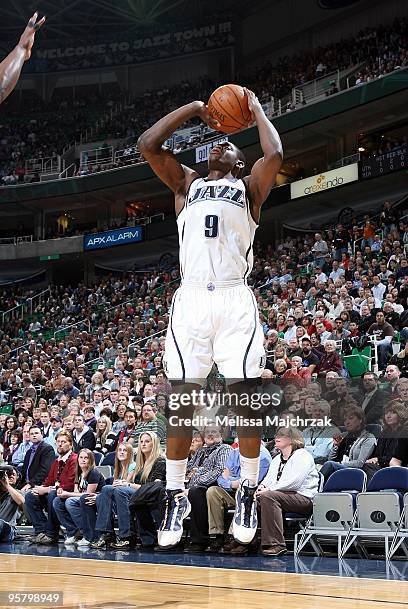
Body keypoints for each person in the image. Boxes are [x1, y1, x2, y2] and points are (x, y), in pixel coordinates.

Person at [138, 87, 283, 548]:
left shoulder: (249, 188)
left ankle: (246, 486)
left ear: (240, 162)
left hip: (234, 297)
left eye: (227, 145)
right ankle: (176, 493)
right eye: (215, 143)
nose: (218, 146)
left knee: (244, 391)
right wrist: (195, 109)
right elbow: (148, 145)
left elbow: (275, 151)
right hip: (191, 300)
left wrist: (253, 107)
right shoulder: (187, 185)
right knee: (181, 396)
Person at [256, 427, 319, 556]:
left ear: (292, 440)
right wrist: (260, 488)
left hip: (303, 498)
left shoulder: (302, 455)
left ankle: (276, 544)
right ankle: (249, 542)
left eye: (282, 435)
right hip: (281, 495)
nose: (276, 437)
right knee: (254, 499)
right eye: (276, 434)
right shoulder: (276, 459)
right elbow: (268, 480)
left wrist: (268, 490)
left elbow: (294, 483)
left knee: (268, 496)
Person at [24, 431, 77, 544]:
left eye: (63, 442)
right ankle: (41, 532)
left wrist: (47, 489)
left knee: (53, 494)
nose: (60, 444)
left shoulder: (74, 460)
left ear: (71, 444)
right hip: (55, 492)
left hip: (68, 495)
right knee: (30, 496)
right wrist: (40, 489)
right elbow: (49, 481)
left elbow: (69, 485)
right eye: (58, 442)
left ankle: (51, 534)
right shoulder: (57, 461)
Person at [52, 448, 105, 546]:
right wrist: (62, 491)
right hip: (82, 499)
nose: (83, 460)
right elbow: (77, 492)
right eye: (81, 457)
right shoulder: (78, 473)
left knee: (70, 502)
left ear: (91, 460)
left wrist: (67, 494)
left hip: (95, 500)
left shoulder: (94, 472)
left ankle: (89, 534)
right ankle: (73, 531)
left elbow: (88, 494)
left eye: (86, 458)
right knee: (57, 501)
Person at [89, 442, 137, 549]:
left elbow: (124, 486)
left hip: (130, 494)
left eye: (125, 450)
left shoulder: (133, 466)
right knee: (105, 490)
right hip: (120, 495)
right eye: (120, 450)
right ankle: (106, 534)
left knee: (107, 489)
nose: (121, 452)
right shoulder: (118, 468)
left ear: (130, 453)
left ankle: (119, 535)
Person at [130, 432, 167, 549]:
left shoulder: (160, 461)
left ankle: (129, 536)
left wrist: (129, 485)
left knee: (132, 498)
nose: (143, 444)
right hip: (140, 494)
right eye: (141, 442)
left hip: (154, 496)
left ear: (154, 443)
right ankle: (142, 539)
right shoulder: (140, 463)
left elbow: (154, 486)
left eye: (147, 441)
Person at [320, 407, 376, 480]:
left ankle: (316, 486)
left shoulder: (368, 438)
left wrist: (340, 464)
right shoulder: (343, 436)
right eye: (345, 420)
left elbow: (360, 463)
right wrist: (336, 446)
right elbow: (331, 459)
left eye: (351, 418)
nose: (347, 422)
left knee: (329, 465)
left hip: (355, 472)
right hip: (339, 469)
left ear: (360, 420)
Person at [20, 426, 55, 492]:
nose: (34, 435)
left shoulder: (47, 449)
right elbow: (24, 470)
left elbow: (45, 470)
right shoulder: (29, 451)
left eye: (36, 433)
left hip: (39, 485)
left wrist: (31, 484)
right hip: (26, 484)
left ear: (41, 435)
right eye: (32, 434)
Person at [0, 466, 25, 542]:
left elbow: (21, 501)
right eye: (7, 474)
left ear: (17, 478)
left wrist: (7, 485)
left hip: (8, 530)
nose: (10, 476)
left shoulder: (19, 493)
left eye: (13, 474)